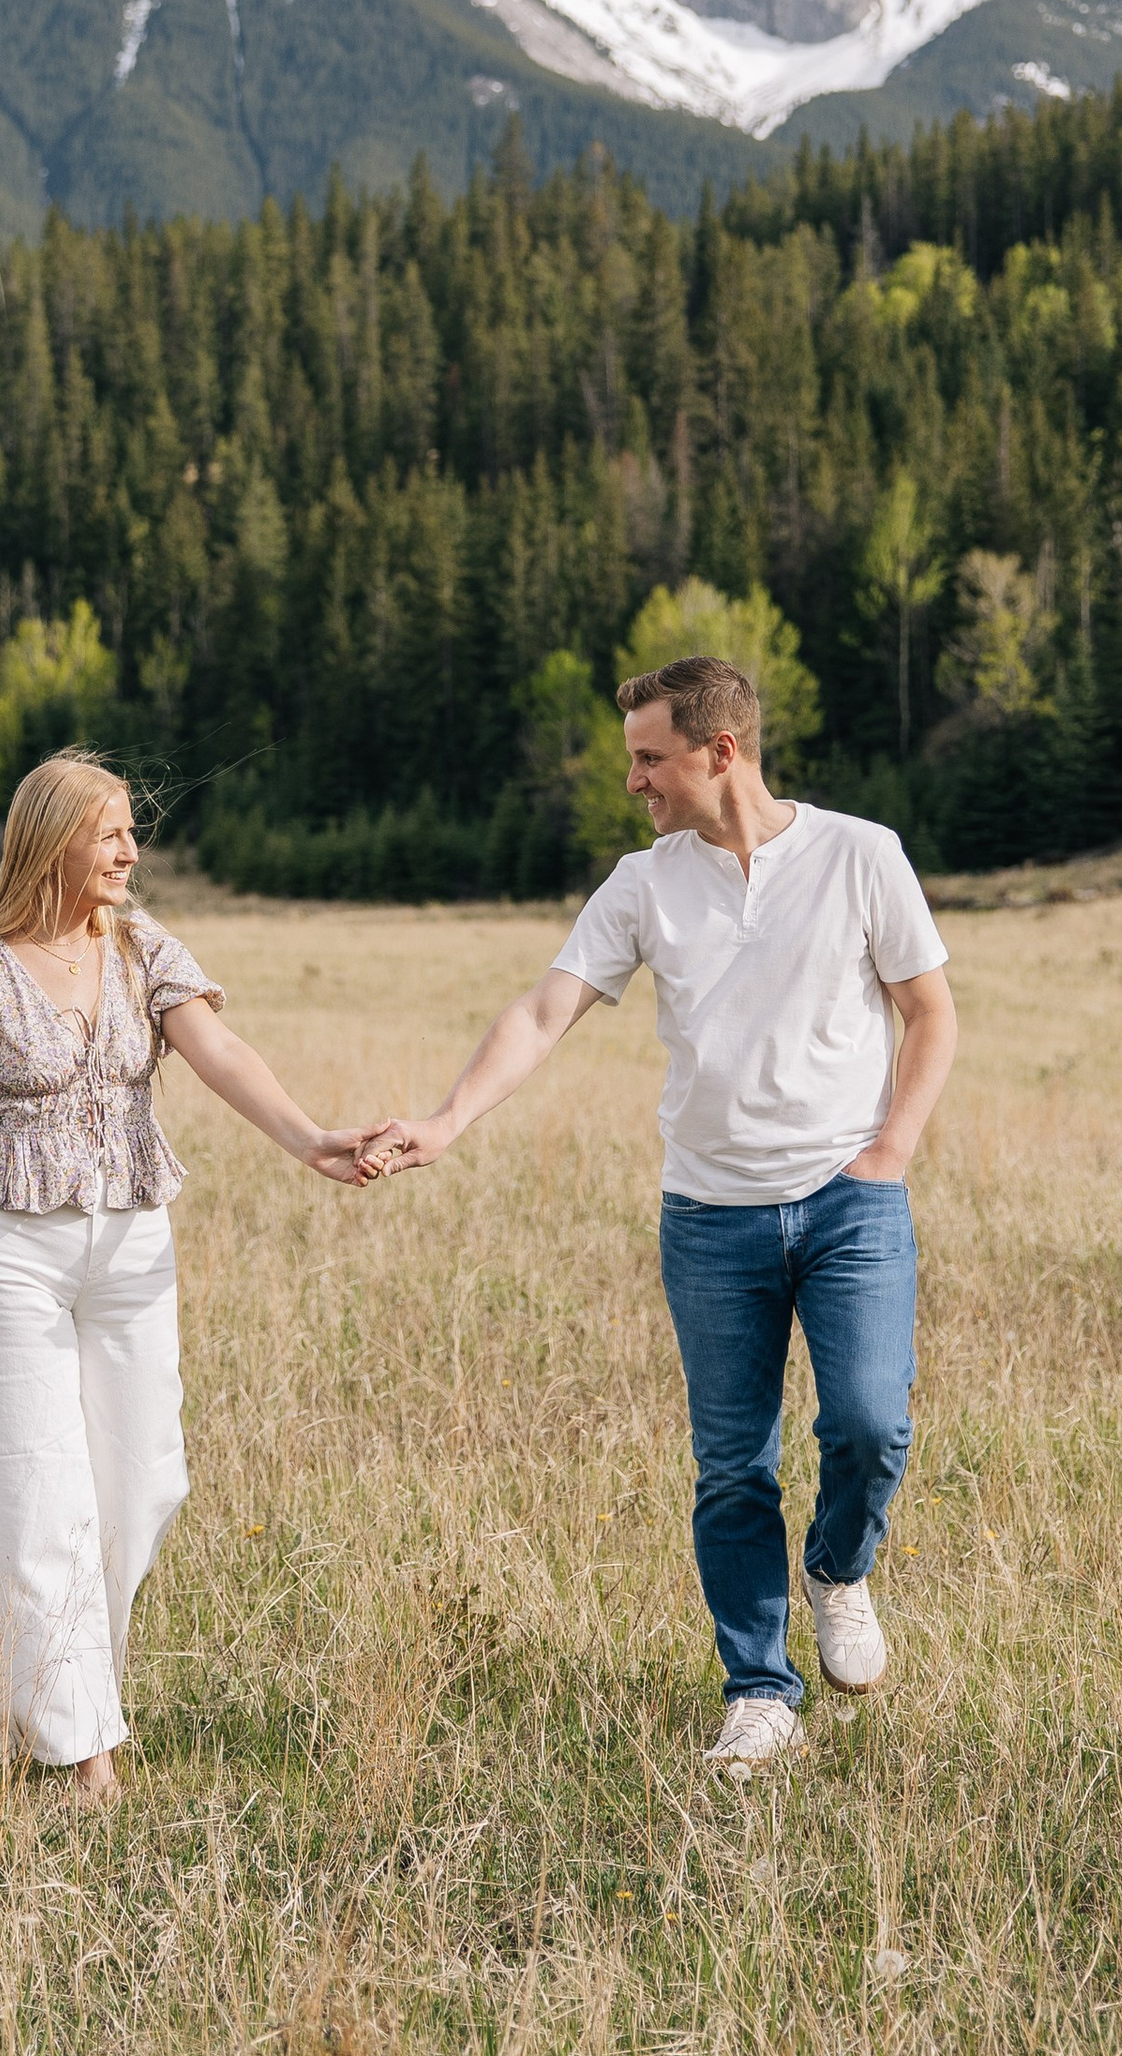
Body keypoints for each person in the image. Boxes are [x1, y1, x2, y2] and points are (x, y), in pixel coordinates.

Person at [358, 653, 955, 1778]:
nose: (633, 781)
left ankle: (836, 1567)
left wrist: (891, 1152)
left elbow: (929, 1013)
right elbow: (543, 1012)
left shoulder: (860, 855)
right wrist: (447, 1120)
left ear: (719, 751)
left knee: (870, 1426)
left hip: (847, 1202)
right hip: (711, 1218)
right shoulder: (642, 884)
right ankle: (761, 1692)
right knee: (732, 1465)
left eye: (649, 758)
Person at [0, 751, 367, 1804]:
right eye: (111, 833)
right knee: (35, 1494)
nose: (130, 852)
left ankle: (49, 1699)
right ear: (54, 837)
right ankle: (80, 1752)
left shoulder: (144, 947)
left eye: (130, 833)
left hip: (133, 1250)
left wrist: (309, 1139)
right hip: (13, 1254)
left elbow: (221, 1052)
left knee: (143, 1485)